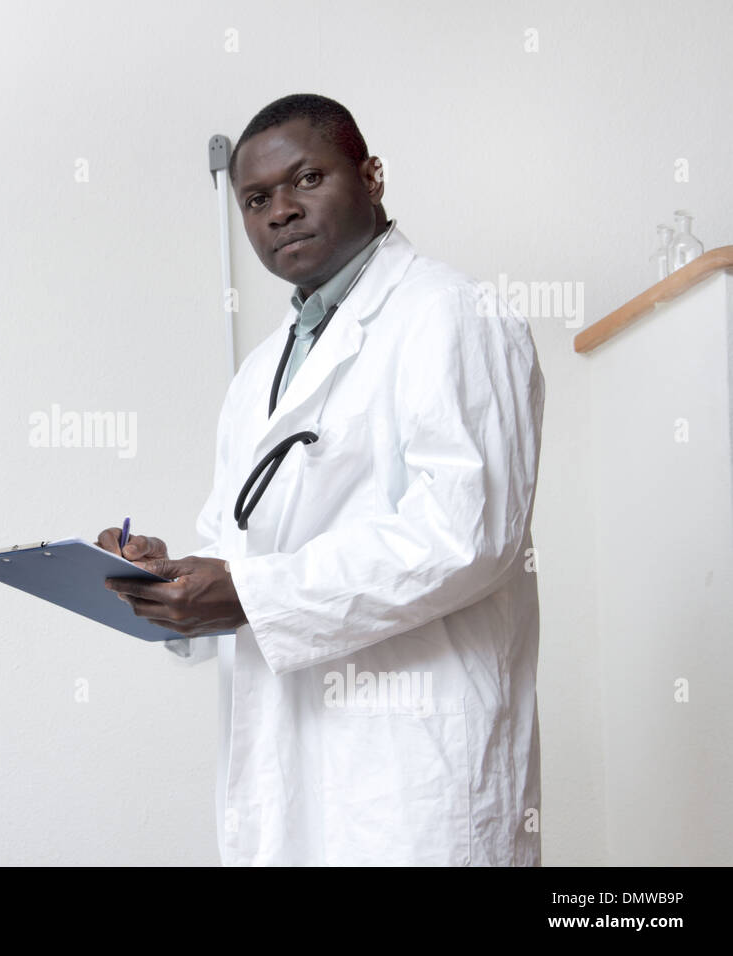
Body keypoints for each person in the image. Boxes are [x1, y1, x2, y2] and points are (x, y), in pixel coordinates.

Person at [99, 94, 545, 866]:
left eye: (307, 179)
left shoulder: (451, 315)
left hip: (414, 760)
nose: (281, 212)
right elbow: (235, 547)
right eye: (257, 199)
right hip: (288, 755)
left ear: (371, 176)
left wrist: (248, 592)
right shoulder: (257, 372)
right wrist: (168, 581)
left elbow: (468, 537)